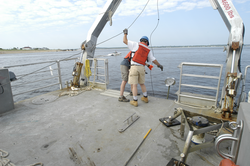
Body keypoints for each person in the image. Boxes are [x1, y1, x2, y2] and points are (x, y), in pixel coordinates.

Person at [123, 28, 163, 107]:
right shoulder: (148, 49)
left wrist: (125, 34)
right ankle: (145, 97)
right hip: (142, 68)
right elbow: (153, 60)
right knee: (142, 83)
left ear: (141, 40)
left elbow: (125, 41)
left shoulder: (135, 44)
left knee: (134, 85)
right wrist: (159, 65)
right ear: (147, 42)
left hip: (134, 67)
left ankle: (135, 101)